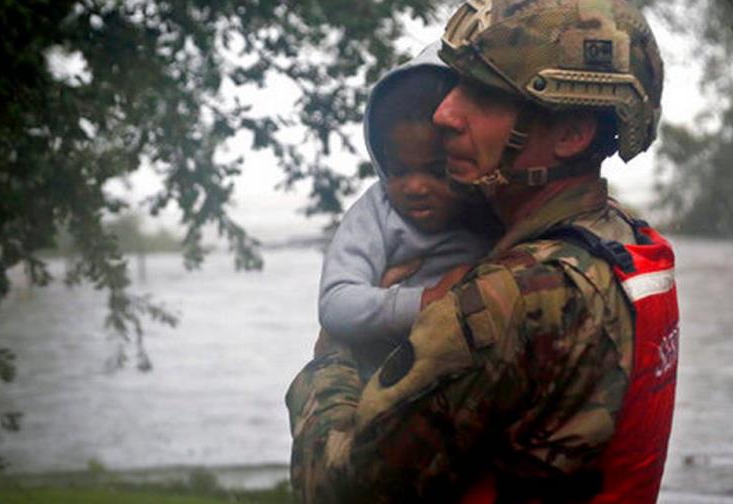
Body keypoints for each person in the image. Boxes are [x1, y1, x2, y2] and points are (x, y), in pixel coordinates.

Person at [286, 1, 679, 502]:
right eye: (453, 85)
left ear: (570, 134)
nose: (443, 114)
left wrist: (335, 356)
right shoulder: (624, 239)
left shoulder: (507, 299)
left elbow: (337, 490)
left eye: (484, 95)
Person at [318, 43, 495, 379]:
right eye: (398, 171)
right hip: (385, 387)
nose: (414, 187)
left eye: (435, 171)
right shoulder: (377, 212)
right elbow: (336, 304)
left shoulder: (492, 209)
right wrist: (426, 301)